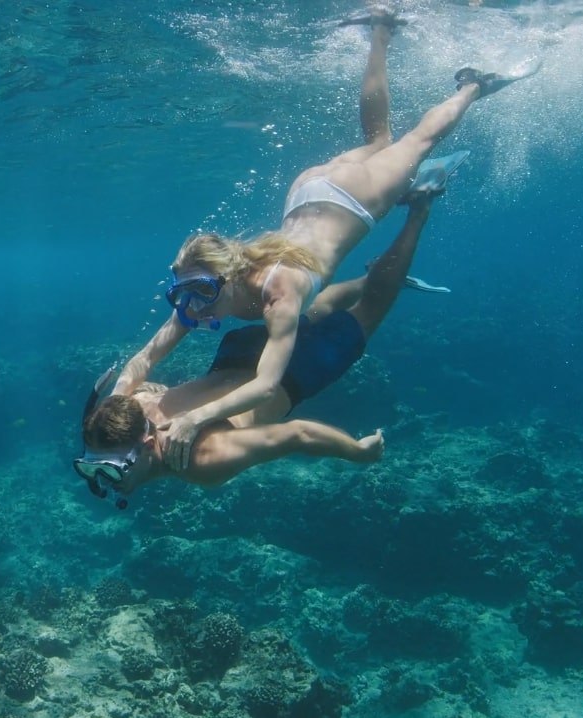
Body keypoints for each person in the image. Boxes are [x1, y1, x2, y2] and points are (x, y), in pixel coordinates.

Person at [110, 8, 536, 471]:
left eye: (203, 294)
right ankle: (381, 29)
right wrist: (118, 396)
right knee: (379, 141)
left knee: (418, 140)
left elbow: (267, 386)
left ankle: (474, 86)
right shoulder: (206, 297)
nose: (194, 308)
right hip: (308, 193)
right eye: (185, 296)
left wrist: (195, 419)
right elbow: (146, 357)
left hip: (352, 200)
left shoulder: (280, 294)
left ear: (229, 277)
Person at [75, 186, 441, 504]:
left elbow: (299, 434)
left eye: (110, 470)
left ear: (141, 446)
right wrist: (122, 394)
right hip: (238, 352)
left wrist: (357, 452)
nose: (104, 484)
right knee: (310, 311)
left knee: (372, 308)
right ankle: (368, 276)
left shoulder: (203, 462)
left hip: (293, 375)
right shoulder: (129, 412)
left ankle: (417, 212)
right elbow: (146, 374)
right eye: (94, 470)